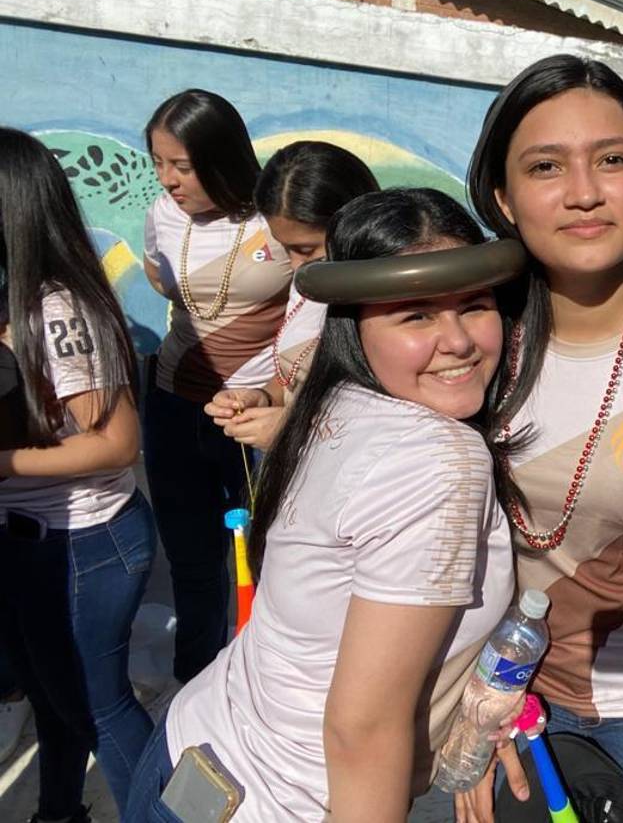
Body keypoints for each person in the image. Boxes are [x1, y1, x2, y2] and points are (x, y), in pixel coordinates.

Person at [125, 188, 519, 822]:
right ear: (355, 325)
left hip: (191, 751)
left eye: (475, 305)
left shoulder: (332, 405)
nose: (458, 341)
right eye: (415, 315)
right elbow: (363, 728)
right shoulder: (441, 456)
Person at [464, 54, 623, 817]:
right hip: (499, 692)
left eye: (611, 159)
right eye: (545, 166)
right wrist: (464, 707)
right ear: (503, 197)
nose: (586, 192)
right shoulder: (469, 342)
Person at [0, 127, 155, 821]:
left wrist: (3, 464)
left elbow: (116, 445)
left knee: (101, 708)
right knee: (52, 692)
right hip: (32, 540)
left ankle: (162, 813)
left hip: (87, 546)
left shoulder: (57, 310)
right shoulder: (13, 296)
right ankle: (59, 810)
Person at [141, 89, 292, 684]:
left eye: (182, 165)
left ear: (223, 157)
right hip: (174, 405)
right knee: (191, 559)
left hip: (251, 419)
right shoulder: (162, 214)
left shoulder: (273, 220)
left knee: (266, 558)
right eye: (158, 162)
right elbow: (160, 279)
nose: (168, 179)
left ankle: (264, 677)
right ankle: (194, 680)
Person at [204, 141, 379, 450]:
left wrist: (296, 432)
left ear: (352, 223)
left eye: (306, 249)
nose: (296, 266)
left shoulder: (385, 307)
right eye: (285, 248)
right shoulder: (311, 283)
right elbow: (296, 375)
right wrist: (263, 396)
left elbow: (382, 425)